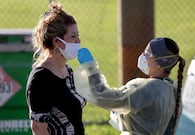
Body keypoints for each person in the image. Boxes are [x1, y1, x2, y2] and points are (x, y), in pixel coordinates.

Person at [74, 37, 186, 135]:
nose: (143, 56)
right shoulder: (173, 89)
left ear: (159, 63)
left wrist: (90, 68)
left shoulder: (146, 89)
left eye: (147, 53)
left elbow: (103, 96)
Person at [26, 2, 86, 135]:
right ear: (57, 42)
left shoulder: (67, 70)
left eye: (78, 35)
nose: (78, 41)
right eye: (73, 36)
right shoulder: (41, 79)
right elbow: (38, 128)